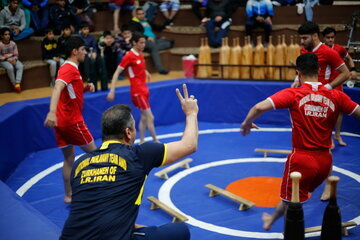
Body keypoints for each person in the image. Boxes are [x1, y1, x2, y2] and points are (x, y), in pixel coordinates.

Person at [60, 83, 198, 240]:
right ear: (128, 133)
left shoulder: (80, 164)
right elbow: (189, 145)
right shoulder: (139, 154)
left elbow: (93, 212)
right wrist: (191, 113)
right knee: (180, 231)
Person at [241, 53, 360, 231]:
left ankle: (290, 233)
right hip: (325, 163)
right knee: (291, 200)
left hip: (302, 160)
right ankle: (271, 220)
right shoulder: (337, 96)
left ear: (298, 73)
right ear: (319, 70)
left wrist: (247, 124)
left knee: (293, 205)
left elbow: (258, 107)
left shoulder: (294, 94)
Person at [44, 36, 97, 204]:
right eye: (82, 50)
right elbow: (57, 88)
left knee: (69, 158)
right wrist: (51, 112)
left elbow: (70, 91)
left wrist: (85, 88)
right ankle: (102, 190)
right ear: (75, 51)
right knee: (97, 155)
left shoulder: (68, 68)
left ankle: (68, 195)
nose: (85, 53)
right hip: (71, 121)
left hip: (61, 122)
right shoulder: (69, 68)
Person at [107, 32, 159, 144]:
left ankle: (141, 141)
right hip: (137, 91)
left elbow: (138, 67)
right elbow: (116, 73)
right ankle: (156, 141)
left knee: (144, 117)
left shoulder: (139, 52)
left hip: (144, 88)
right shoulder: (128, 56)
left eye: (144, 42)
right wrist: (112, 91)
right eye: (141, 42)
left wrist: (146, 71)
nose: (143, 45)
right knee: (150, 117)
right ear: (134, 43)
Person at [322, 26, 357, 146]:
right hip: (325, 84)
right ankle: (328, 137)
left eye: (332, 37)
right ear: (324, 38)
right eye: (328, 38)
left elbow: (349, 58)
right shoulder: (320, 49)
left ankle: (337, 135)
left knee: (339, 110)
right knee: (326, 110)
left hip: (337, 84)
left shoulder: (339, 49)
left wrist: (352, 69)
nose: (330, 40)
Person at [291, 22, 350, 91]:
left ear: (315, 36)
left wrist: (328, 87)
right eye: (301, 38)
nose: (302, 41)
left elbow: (346, 73)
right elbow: (301, 68)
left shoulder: (328, 52)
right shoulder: (303, 50)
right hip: (309, 92)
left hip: (325, 95)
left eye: (305, 38)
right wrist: (297, 80)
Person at [129, 7, 172, 74]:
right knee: (154, 47)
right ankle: (160, 69)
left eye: (142, 14)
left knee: (169, 43)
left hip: (154, 40)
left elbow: (155, 26)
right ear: (136, 15)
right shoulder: (133, 23)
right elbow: (136, 33)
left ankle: (152, 47)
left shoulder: (147, 20)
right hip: (144, 42)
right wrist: (146, 38)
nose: (141, 15)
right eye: (139, 14)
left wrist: (164, 27)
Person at [0, 27, 23, 92]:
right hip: (3, 60)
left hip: (12, 59)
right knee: (10, 68)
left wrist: (15, 59)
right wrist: (7, 59)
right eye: (5, 34)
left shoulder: (13, 43)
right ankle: (13, 83)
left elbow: (16, 54)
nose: (8, 36)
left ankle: (17, 83)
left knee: (20, 66)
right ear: (1, 36)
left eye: (8, 34)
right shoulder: (0, 44)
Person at [78, 22, 98, 91]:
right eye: (84, 29)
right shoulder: (78, 37)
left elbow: (94, 46)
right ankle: (88, 78)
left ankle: (96, 77)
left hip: (91, 53)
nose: (86, 30)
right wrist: (86, 53)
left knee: (98, 58)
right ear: (81, 30)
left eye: (87, 29)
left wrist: (94, 53)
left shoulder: (91, 37)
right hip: (82, 54)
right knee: (87, 59)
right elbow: (79, 48)